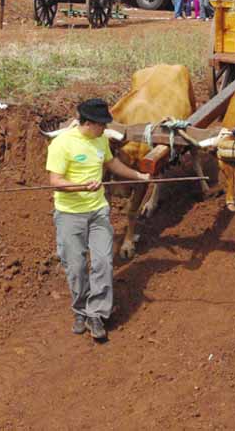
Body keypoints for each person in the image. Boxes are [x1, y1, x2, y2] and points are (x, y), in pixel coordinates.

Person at [46, 98, 150, 341]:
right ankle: (80, 309)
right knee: (76, 267)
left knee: (103, 262)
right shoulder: (62, 144)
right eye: (101, 124)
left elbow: (111, 163)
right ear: (88, 123)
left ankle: (97, 313)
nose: (105, 128)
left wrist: (138, 176)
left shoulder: (100, 139)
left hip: (98, 211)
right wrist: (81, 186)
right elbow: (55, 181)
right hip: (70, 215)